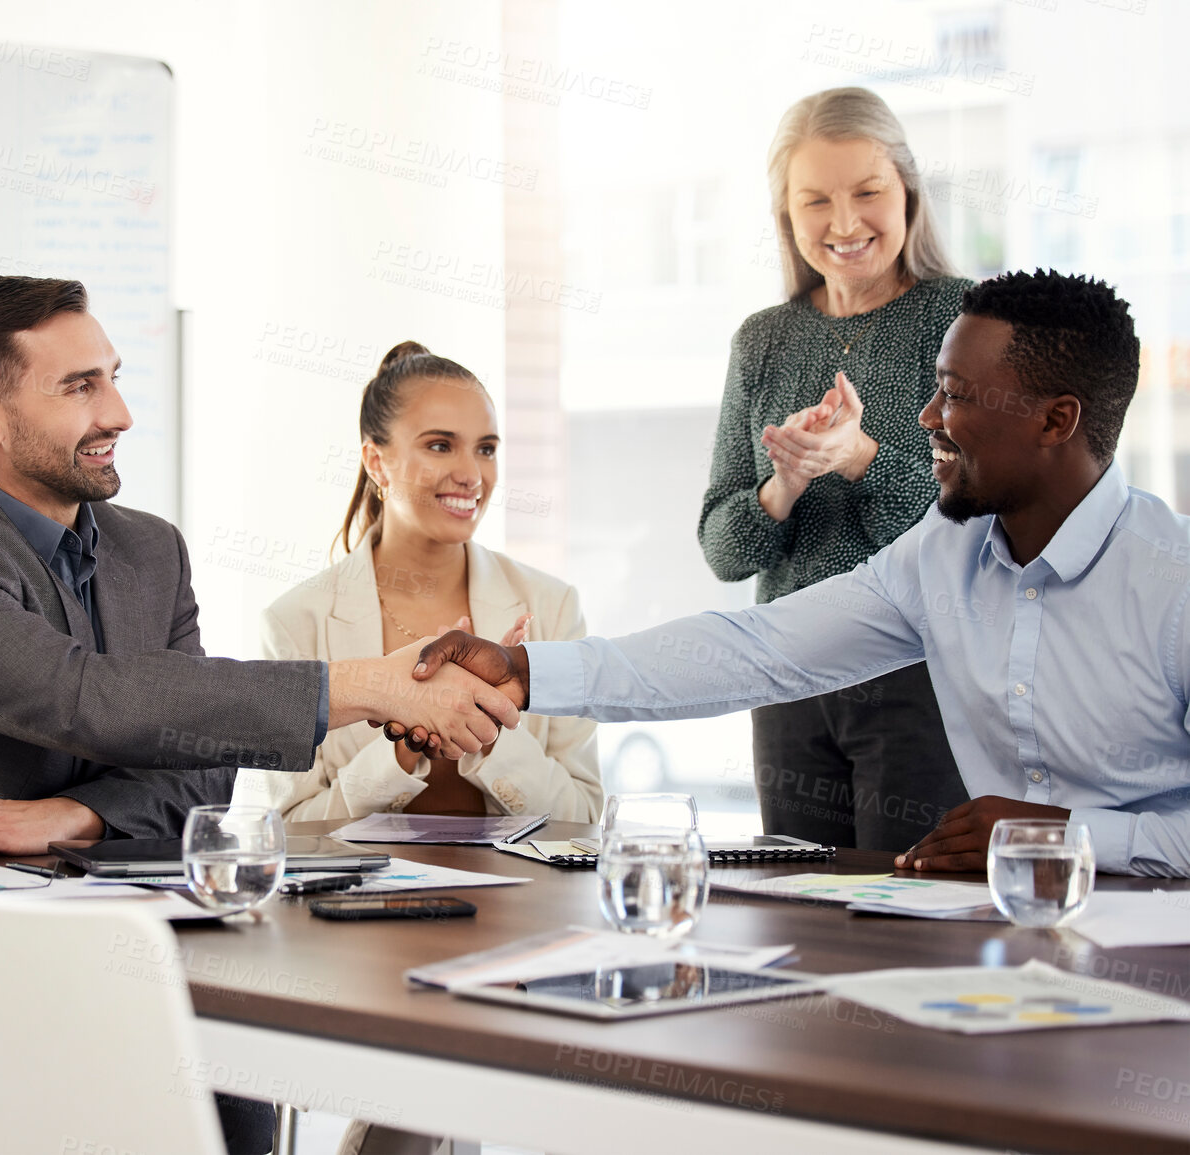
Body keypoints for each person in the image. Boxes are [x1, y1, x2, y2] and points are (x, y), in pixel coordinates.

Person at [0, 277, 523, 1152]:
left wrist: (76, 815)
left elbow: (195, 761)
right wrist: (371, 684)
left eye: (113, 376)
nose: (117, 410)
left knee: (229, 1107)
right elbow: (87, 698)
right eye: (80, 386)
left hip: (86, 947)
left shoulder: (149, 550)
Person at [401, 270, 1190, 879]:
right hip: (1009, 938)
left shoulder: (1173, 581)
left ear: (1055, 420)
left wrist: (1065, 834)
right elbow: (755, 648)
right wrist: (521, 669)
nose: (925, 419)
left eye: (951, 395)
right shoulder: (941, 556)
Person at [700, 86, 972, 851]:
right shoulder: (762, 341)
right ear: (784, 214)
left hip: (917, 678)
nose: (844, 223)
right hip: (784, 677)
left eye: (867, 192)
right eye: (814, 200)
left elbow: (976, 529)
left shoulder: (961, 317)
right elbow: (722, 550)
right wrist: (782, 485)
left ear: (906, 191)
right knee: (798, 915)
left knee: (908, 919)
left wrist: (860, 458)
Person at [235, 341, 599, 823]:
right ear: (376, 461)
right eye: (440, 445)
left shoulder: (551, 606)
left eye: (486, 449)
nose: (472, 475)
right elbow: (287, 829)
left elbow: (586, 819)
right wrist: (402, 748)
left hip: (520, 899)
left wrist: (489, 730)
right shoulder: (295, 623)